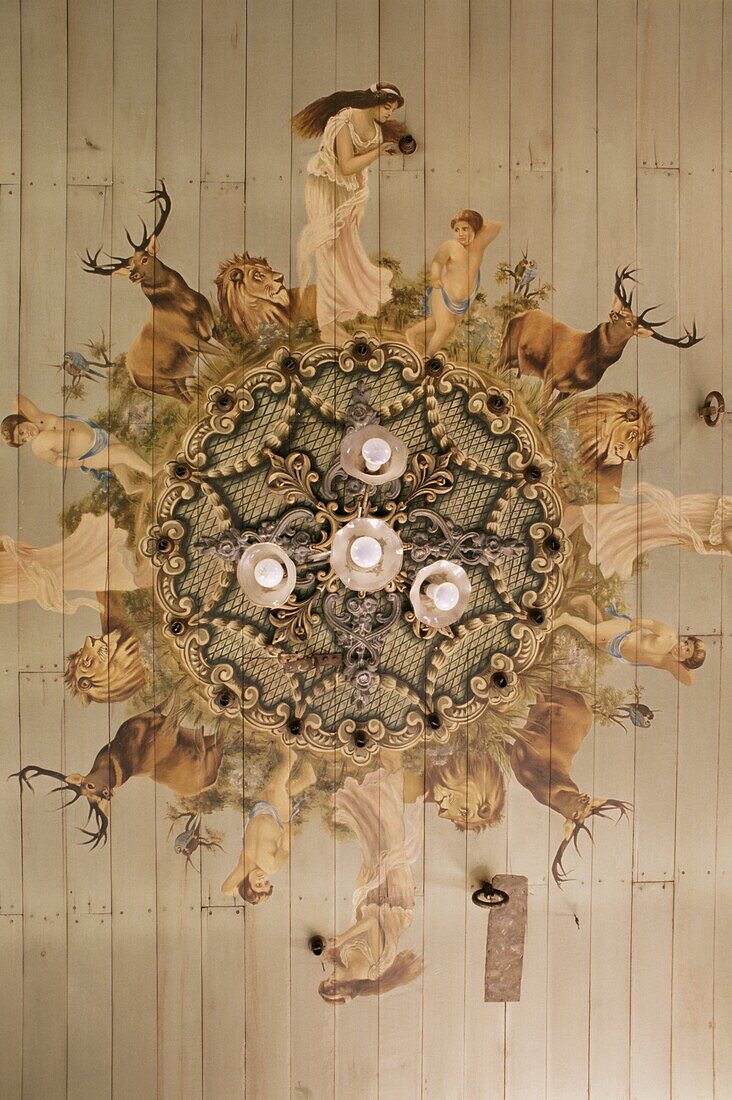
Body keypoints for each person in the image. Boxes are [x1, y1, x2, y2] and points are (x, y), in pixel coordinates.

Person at [293, 81, 404, 344]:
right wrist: (378, 152)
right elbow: (346, 166)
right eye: (387, 107)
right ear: (373, 102)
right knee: (328, 253)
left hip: (346, 194)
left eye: (392, 110)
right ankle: (326, 326)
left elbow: (360, 173)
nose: (389, 114)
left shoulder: (376, 131)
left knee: (347, 255)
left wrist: (359, 201)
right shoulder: (343, 121)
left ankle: (337, 318)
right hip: (324, 188)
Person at [317, 767, 423, 1004]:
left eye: (327, 981)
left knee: (372, 842)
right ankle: (391, 780)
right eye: (333, 984)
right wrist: (342, 938)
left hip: (372, 898)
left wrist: (361, 890)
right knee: (389, 839)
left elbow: (361, 918)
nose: (331, 978)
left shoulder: (344, 958)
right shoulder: (373, 969)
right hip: (394, 899)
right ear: (346, 989)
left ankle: (373, 784)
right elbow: (372, 923)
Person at [0, 512, 150, 615]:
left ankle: (139, 566)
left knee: (72, 561)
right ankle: (140, 574)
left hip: (24, 565)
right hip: (19, 577)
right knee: (75, 571)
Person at [220, 743, 316, 904]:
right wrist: (287, 831)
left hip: (259, 812)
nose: (262, 879)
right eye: (266, 883)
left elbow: (225, 889)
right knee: (275, 787)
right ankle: (290, 758)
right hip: (278, 819)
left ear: (247, 884)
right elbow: (285, 849)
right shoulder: (272, 867)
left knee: (279, 789)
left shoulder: (243, 867)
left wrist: (245, 892)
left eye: (258, 884)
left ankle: (308, 778)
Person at [2, 395, 152, 495]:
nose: (27, 435)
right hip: (89, 453)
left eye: (21, 432)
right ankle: (151, 471)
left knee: (117, 458)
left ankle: (129, 488)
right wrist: (78, 462)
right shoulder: (38, 446)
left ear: (20, 421)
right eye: (22, 440)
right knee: (123, 453)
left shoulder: (36, 417)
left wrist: (16, 416)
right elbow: (56, 461)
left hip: (96, 434)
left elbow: (17, 399)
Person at [578, 482, 732, 579]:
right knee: (647, 520)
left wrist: (699, 547)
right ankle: (591, 518)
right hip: (706, 516)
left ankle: (598, 530)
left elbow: (722, 544)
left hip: (703, 530)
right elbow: (727, 533)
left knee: (648, 531)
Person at [405, 209, 501, 357]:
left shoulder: (478, 246)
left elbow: (496, 226)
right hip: (443, 293)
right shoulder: (451, 246)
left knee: (437, 323)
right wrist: (436, 277)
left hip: (463, 301)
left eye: (465, 229)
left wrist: (477, 222)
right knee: (445, 326)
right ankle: (427, 359)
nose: (460, 233)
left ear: (475, 229)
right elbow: (437, 262)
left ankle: (412, 332)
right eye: (457, 230)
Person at [554, 595, 706, 685]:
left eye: (687, 650)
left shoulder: (668, 663)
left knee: (597, 638)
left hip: (619, 650)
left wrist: (695, 659)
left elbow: (689, 681)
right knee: (593, 635)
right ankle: (565, 619)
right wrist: (639, 622)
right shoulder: (670, 637)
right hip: (625, 633)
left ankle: (588, 602)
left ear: (687, 660)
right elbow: (652, 624)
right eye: (686, 643)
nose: (682, 647)